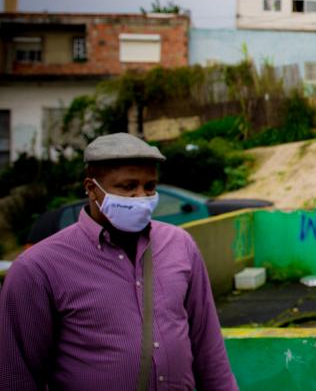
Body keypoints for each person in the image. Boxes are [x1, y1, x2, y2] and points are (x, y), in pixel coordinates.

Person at [0, 133, 238, 391]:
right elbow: (17, 373)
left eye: (149, 187)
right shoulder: (38, 267)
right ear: (91, 188)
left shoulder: (180, 245)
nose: (141, 197)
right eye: (127, 187)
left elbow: (208, 347)